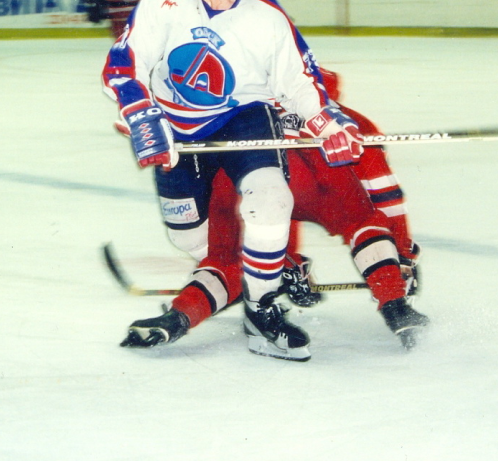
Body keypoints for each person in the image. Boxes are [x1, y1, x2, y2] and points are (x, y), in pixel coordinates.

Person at [102, 0, 367, 362]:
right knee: (190, 240)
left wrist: (326, 121)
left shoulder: (264, 14)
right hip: (175, 125)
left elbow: (298, 80)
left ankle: (261, 312)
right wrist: (143, 114)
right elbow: (122, 66)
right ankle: (276, 265)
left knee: (271, 199)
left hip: (244, 115)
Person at [128, 67, 428, 351]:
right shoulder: (347, 120)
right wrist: (402, 256)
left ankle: (177, 318)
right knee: (362, 222)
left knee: (229, 260)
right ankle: (396, 308)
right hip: (321, 179)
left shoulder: (238, 108)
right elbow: (386, 195)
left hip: (241, 176)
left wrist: (285, 265)